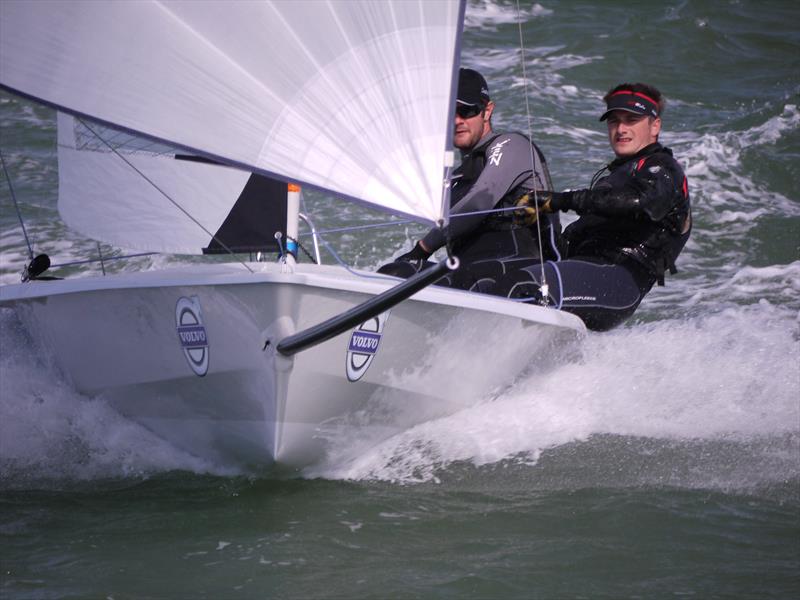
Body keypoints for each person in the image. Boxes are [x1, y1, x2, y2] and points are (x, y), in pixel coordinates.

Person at [490, 82, 692, 331]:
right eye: (614, 121)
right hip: (585, 275)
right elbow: (577, 238)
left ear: (655, 125)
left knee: (523, 285)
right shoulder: (616, 177)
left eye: (631, 120)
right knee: (491, 279)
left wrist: (559, 200)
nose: (621, 129)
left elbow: (635, 202)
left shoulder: (663, 169)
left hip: (618, 281)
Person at [378, 68, 562, 292]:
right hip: (469, 273)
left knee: (454, 280)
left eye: (466, 111)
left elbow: (481, 200)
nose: (457, 120)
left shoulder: (512, 145)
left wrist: (422, 248)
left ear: (487, 111)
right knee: (394, 275)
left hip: (521, 274)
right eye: (450, 113)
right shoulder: (456, 177)